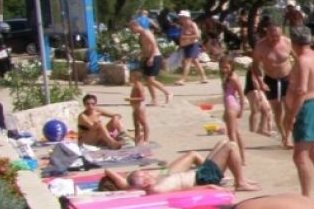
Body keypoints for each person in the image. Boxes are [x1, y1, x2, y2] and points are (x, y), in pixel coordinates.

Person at [282, 26, 314, 204]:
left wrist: (291, 115)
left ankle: (305, 198)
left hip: (307, 107)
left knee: (300, 156)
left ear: (294, 43)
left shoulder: (302, 61)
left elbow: (301, 90)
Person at [101, 140, 259, 193]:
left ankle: (239, 180)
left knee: (223, 142)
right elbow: (185, 191)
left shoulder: (154, 183)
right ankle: (240, 183)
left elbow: (128, 183)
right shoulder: (156, 188)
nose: (146, 174)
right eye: (144, 177)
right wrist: (210, 187)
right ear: (144, 184)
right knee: (231, 145)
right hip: (203, 177)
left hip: (199, 173)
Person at [252, 19, 295, 146]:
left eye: (277, 36)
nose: (274, 39)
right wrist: (260, 82)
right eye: (271, 36)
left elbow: (298, 59)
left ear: (281, 34)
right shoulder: (260, 46)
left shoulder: (287, 42)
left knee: (289, 109)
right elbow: (255, 65)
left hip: (287, 78)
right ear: (267, 34)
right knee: (277, 111)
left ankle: (289, 136)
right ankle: (283, 136)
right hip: (270, 79)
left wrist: (297, 76)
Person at [129, 20, 171, 105]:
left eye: (131, 28)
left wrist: (151, 57)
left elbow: (154, 44)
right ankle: (154, 99)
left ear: (135, 26)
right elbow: (145, 47)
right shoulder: (141, 35)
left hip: (155, 57)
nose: (131, 30)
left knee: (151, 80)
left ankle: (167, 92)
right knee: (148, 80)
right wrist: (139, 54)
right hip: (147, 57)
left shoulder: (146, 32)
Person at [220, 57, 247, 165]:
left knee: (232, 134)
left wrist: (242, 109)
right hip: (229, 105)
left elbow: (241, 93)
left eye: (226, 67)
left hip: (232, 105)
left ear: (232, 66)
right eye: (222, 68)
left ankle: (235, 157)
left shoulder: (233, 78)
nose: (224, 70)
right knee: (236, 132)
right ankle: (242, 158)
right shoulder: (227, 77)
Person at [174, 11, 209, 85]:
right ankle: (204, 77)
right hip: (186, 45)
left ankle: (183, 79)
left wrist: (186, 37)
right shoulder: (183, 26)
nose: (180, 19)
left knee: (187, 61)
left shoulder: (192, 24)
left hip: (192, 45)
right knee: (195, 61)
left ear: (186, 17)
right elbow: (181, 37)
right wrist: (180, 45)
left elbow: (197, 35)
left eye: (182, 17)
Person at [126, 68, 149, 145]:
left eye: (131, 76)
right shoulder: (135, 85)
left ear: (135, 77)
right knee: (136, 124)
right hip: (135, 106)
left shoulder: (139, 86)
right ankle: (137, 138)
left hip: (139, 106)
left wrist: (130, 99)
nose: (130, 77)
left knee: (143, 123)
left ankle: (146, 139)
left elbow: (142, 98)